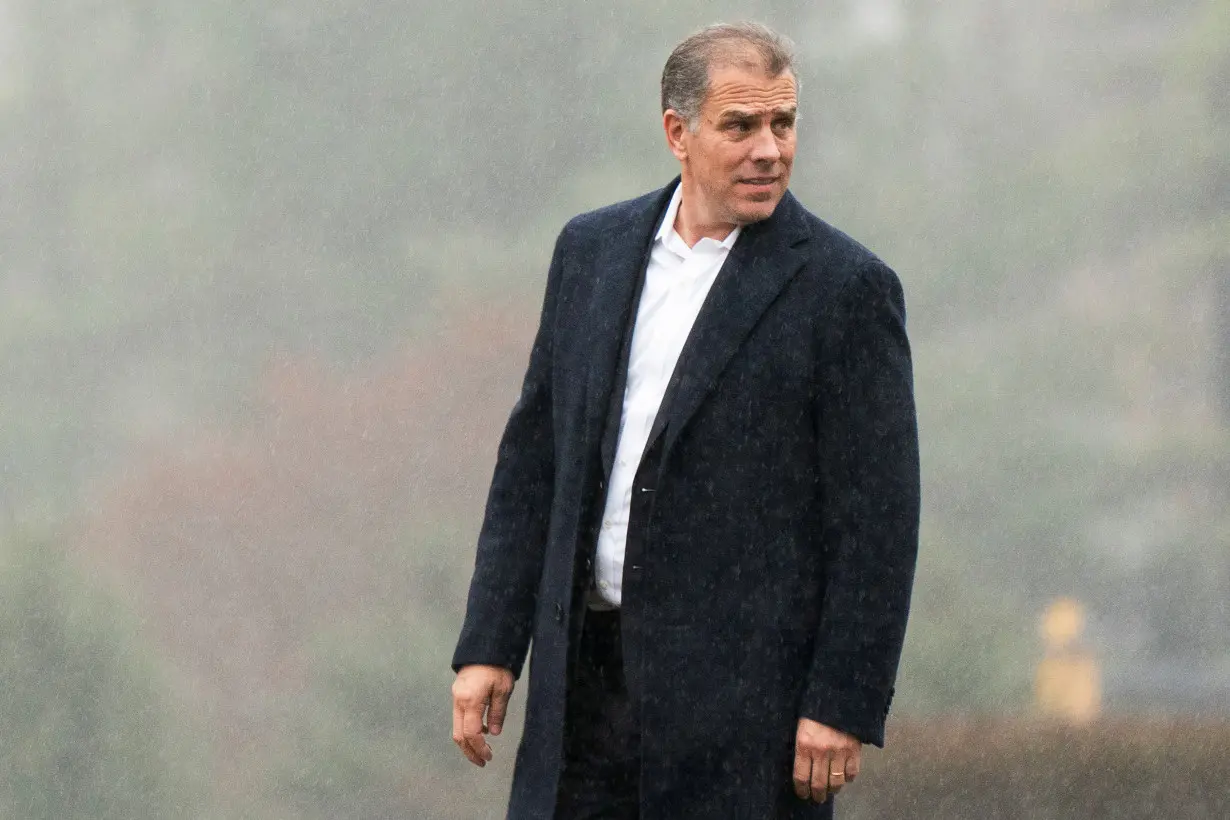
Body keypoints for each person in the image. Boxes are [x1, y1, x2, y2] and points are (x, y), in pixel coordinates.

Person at [450, 21, 920, 820]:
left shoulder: (847, 291)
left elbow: (878, 520)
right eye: (741, 126)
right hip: (582, 695)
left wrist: (842, 701)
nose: (769, 148)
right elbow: (535, 460)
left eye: (783, 122)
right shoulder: (590, 252)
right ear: (679, 132)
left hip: (748, 716)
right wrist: (491, 643)